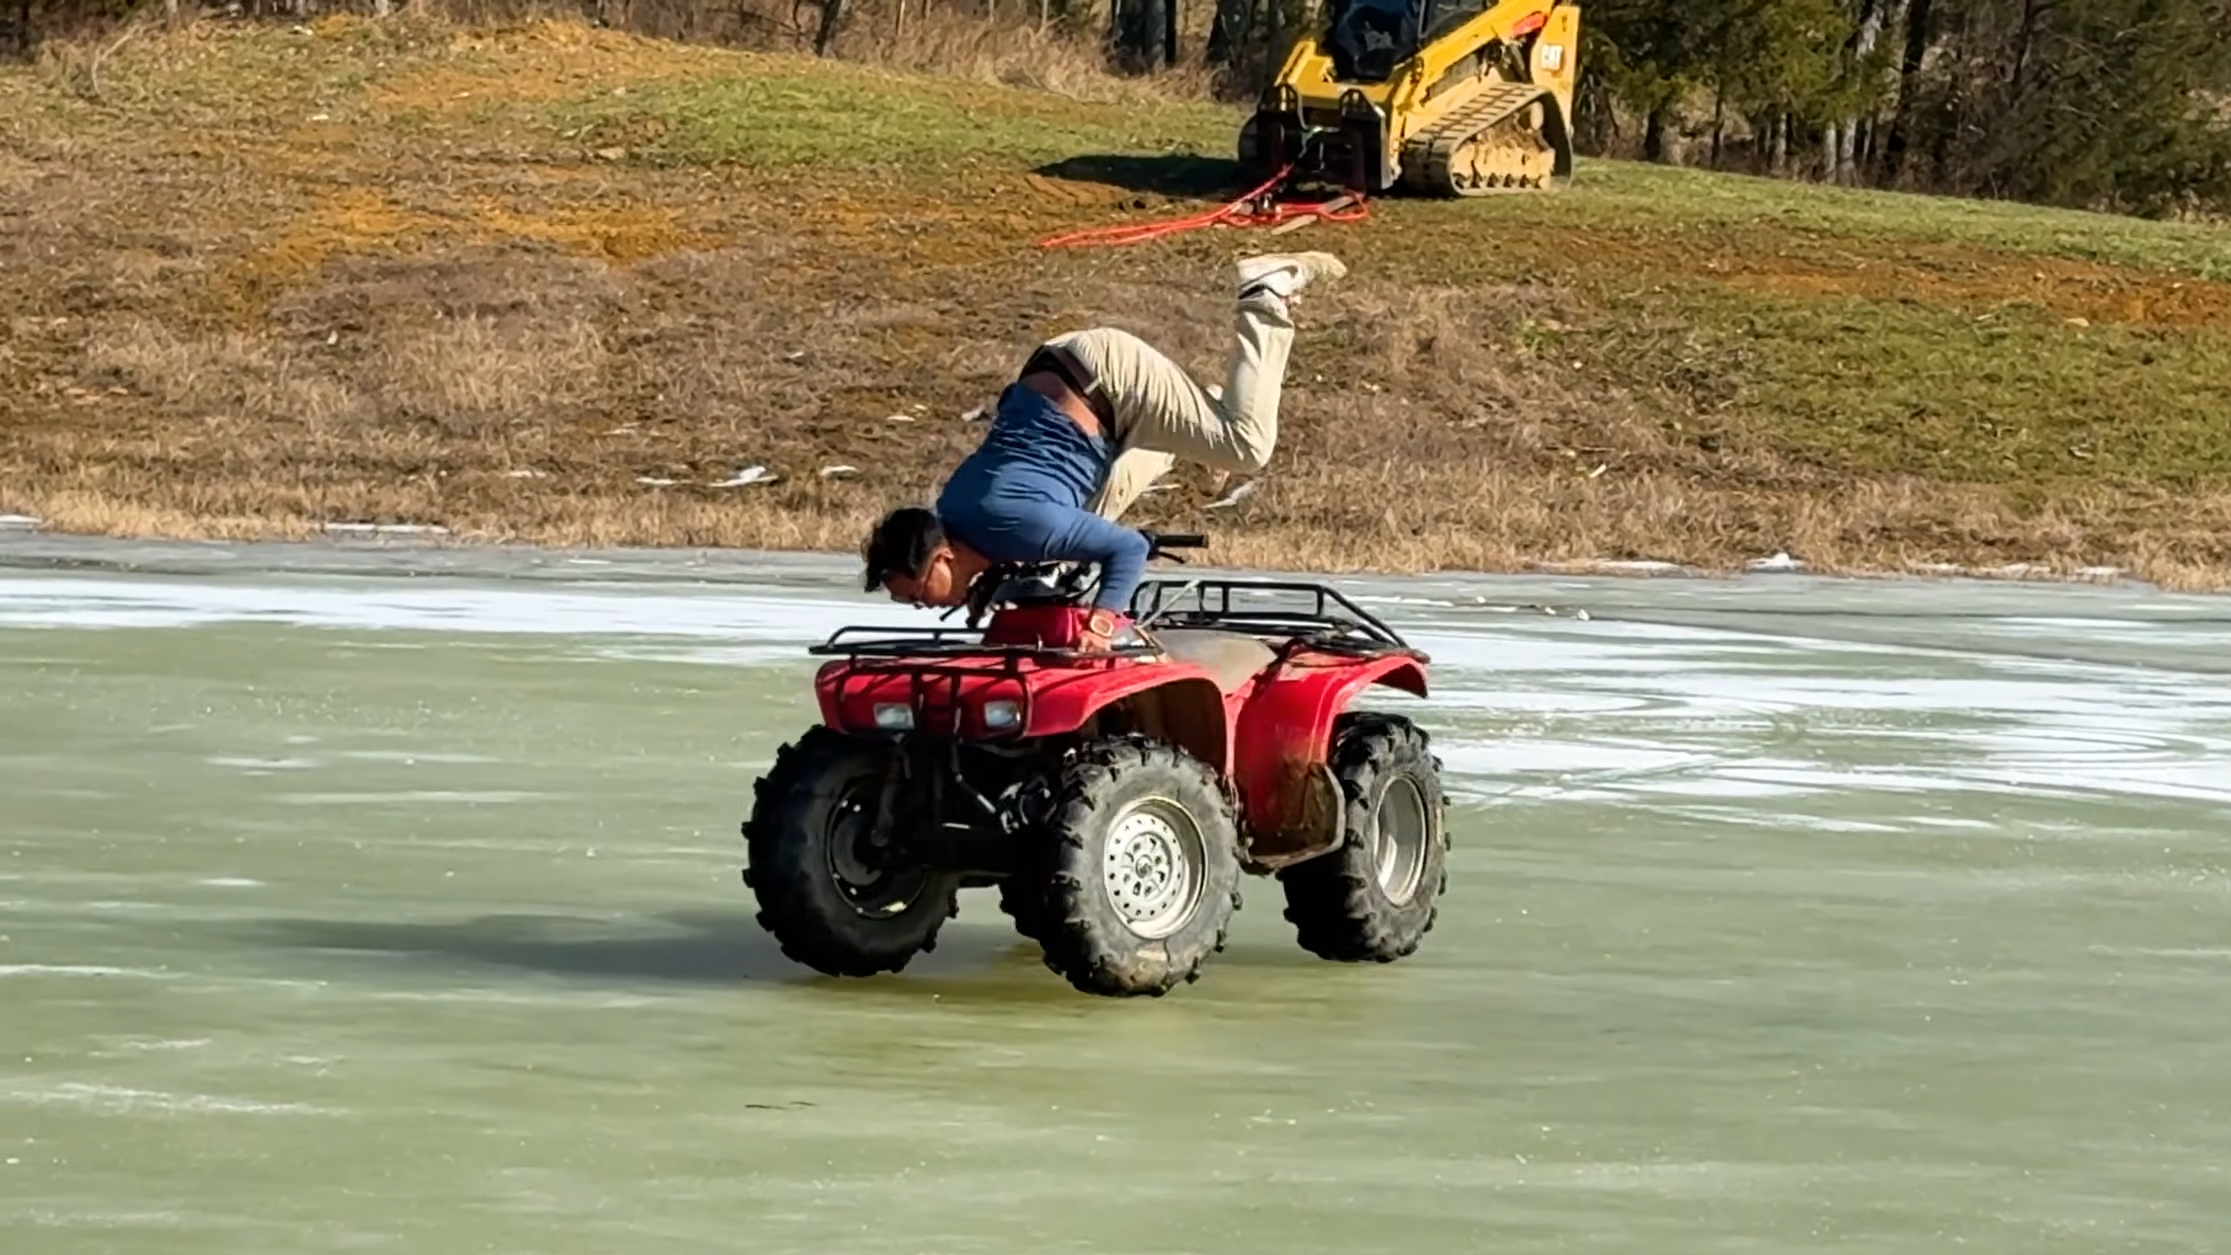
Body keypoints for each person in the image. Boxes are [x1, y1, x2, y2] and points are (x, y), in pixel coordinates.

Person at [860, 250, 1348, 650]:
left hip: (1108, 380)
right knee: (1068, 551)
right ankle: (1193, 432)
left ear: (943, 557)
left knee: (1246, 447)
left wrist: (1102, 623)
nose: (924, 606)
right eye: (912, 603)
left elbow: (1128, 549)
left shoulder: (1015, 524)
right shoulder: (958, 516)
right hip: (1077, 400)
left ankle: (1265, 294)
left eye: (919, 594)